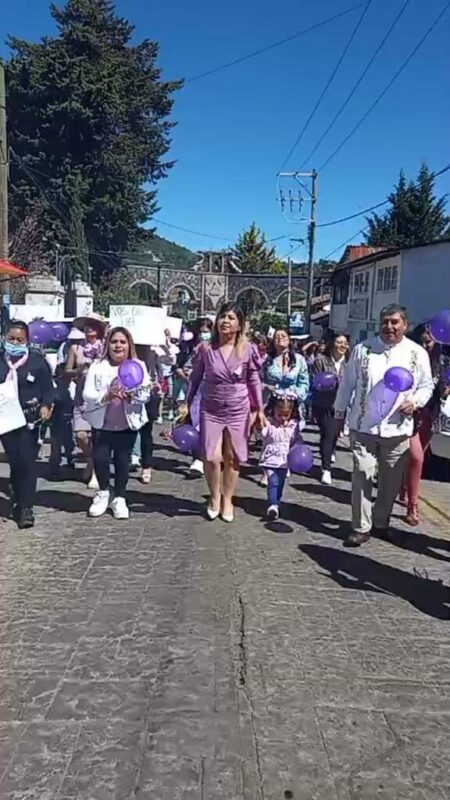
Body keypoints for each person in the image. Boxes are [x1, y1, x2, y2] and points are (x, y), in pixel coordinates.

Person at [335, 304, 434, 547]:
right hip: (363, 426)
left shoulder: (416, 353)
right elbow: (347, 384)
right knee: (362, 474)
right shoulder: (363, 350)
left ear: (405, 325)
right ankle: (360, 527)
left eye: (394, 322)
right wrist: (339, 414)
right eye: (385, 322)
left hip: (397, 429)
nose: (389, 327)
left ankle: (380, 523)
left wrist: (415, 401)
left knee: (389, 483)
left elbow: (426, 385)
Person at [187, 302, 265, 522]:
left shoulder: (247, 349)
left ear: (239, 324)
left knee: (232, 457)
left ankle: (228, 499)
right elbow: (195, 377)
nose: (225, 321)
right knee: (211, 456)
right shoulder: (206, 349)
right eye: (222, 317)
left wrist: (258, 408)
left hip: (238, 408)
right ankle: (214, 496)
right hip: (211, 407)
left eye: (231, 318)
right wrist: (187, 402)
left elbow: (253, 379)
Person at [83, 326, 151, 519]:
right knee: (101, 459)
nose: (118, 345)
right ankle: (103, 493)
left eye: (122, 342)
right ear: (107, 344)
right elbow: (87, 394)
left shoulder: (139, 365)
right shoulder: (98, 365)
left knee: (122, 461)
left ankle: (120, 497)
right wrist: (106, 396)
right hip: (102, 424)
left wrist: (132, 396)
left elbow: (145, 393)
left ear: (129, 345)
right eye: (114, 342)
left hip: (126, 424)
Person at [0, 320, 54, 528]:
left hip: (30, 419)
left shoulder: (37, 361)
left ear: (27, 341)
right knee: (15, 461)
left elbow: (49, 388)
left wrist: (46, 405)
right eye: (11, 339)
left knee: (28, 462)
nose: (14, 343)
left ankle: (26, 508)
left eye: (19, 340)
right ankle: (17, 494)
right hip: (5, 419)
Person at [400, 323, 448, 525]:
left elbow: (444, 386)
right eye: (423, 342)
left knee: (415, 459)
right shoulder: (411, 358)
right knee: (417, 458)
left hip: (431, 414)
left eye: (429, 342)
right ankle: (413, 506)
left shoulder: (443, 360)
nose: (426, 346)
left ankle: (404, 488)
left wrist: (446, 389)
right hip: (410, 413)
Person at [65, 313, 106, 488]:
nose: (89, 328)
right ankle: (90, 459)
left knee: (97, 436)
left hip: (100, 397)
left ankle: (96, 471)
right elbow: (67, 371)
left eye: (93, 325)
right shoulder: (76, 348)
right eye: (87, 325)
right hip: (81, 397)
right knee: (81, 436)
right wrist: (78, 369)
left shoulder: (105, 348)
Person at [312, 333, 349, 485]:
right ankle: (326, 468)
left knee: (334, 434)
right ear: (332, 344)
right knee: (327, 433)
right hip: (324, 403)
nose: (342, 346)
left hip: (341, 404)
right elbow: (315, 380)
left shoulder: (350, 363)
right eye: (339, 342)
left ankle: (329, 453)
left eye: (345, 343)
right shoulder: (321, 360)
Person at [260, 392, 301, 521]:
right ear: (274, 410)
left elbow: (295, 440)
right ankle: (272, 505)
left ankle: (277, 501)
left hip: (284, 461)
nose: (283, 418)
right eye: (279, 414)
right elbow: (262, 433)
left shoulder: (293, 425)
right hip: (271, 460)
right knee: (273, 482)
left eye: (286, 415)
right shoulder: (269, 423)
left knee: (281, 484)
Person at [263, 328, 310, 412]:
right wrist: (267, 387)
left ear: (289, 340)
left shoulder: (299, 359)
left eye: (283, 336)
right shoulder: (266, 359)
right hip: (270, 404)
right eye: (277, 337)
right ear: (273, 342)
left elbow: (304, 382)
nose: (280, 338)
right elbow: (258, 380)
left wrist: (295, 395)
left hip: (293, 405)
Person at [49, 362, 74, 477]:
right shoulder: (55, 387)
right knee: (56, 443)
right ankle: (54, 466)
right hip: (57, 418)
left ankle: (69, 458)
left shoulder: (72, 386)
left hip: (69, 417)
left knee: (68, 441)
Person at [157, 330, 179, 424]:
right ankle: (159, 416)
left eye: (167, 335)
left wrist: (167, 347)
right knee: (160, 396)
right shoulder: (156, 347)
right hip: (160, 375)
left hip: (169, 375)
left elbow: (173, 361)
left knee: (170, 395)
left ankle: (170, 412)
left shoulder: (174, 347)